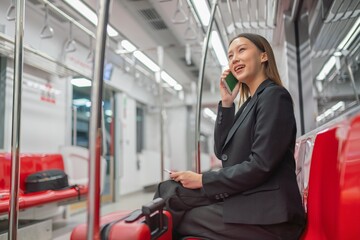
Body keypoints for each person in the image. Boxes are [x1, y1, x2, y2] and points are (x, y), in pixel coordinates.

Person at [154, 33, 306, 240]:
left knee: (181, 215)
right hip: (251, 197)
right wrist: (226, 103)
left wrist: (202, 179)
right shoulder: (249, 104)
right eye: (230, 55)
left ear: (263, 56)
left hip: (273, 216)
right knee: (170, 190)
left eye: (242, 50)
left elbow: (261, 164)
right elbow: (223, 150)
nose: (234, 58)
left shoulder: (274, 96)